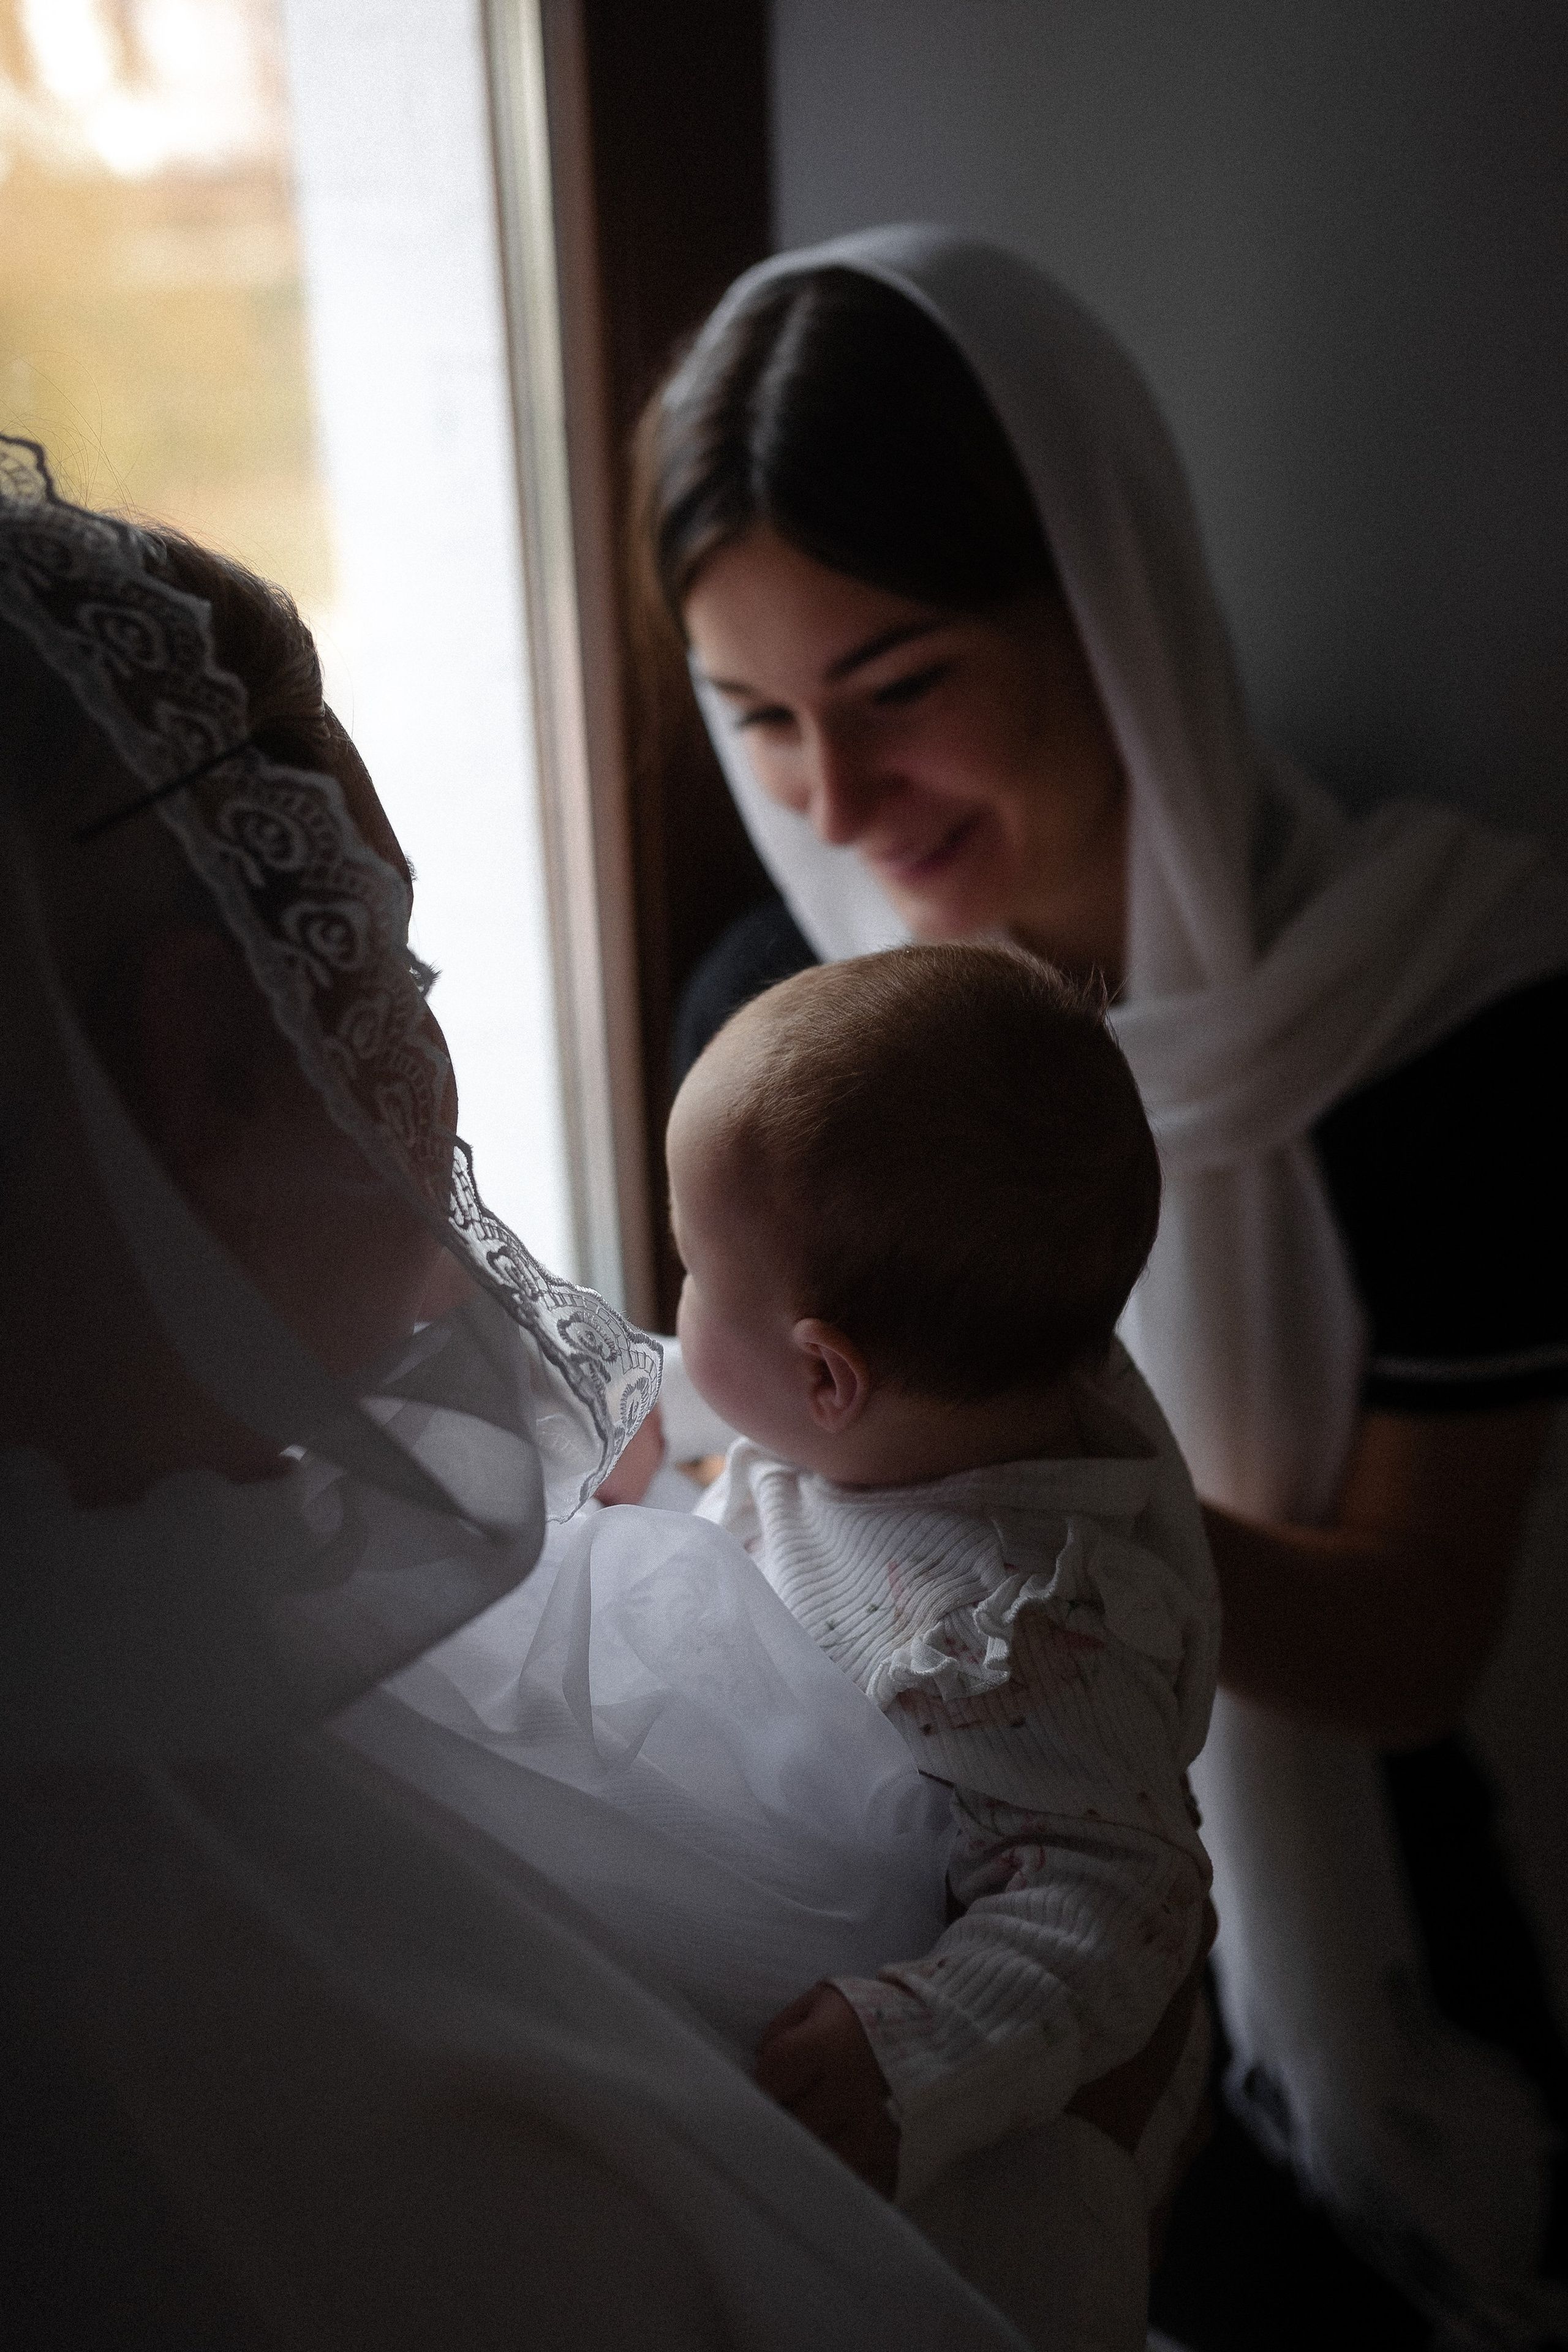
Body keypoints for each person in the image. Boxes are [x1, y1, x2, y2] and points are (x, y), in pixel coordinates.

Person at [0, 435, 1049, 2351]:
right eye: (376, 945)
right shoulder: (183, 1973)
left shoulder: (255, 1581)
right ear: (198, 1062)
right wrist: (1108, 2112)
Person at [633, 227, 1568, 2350]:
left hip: (1344, 1960)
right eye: (759, 716)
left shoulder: (1436, 1018)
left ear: (1106, 593)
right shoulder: (775, 1021)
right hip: (876, 1945)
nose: (838, 800)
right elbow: (716, 1445)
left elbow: (1423, 1636)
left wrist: (1032, 1529)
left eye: (899, 687)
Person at [664, 943, 1218, 2346]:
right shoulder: (981, 1373)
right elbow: (749, 1448)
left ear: (824, 1376)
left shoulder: (1018, 1634)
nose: (668, 1312)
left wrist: (918, 2049)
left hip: (1001, 2130)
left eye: (686, 1274)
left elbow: (1124, 1900)